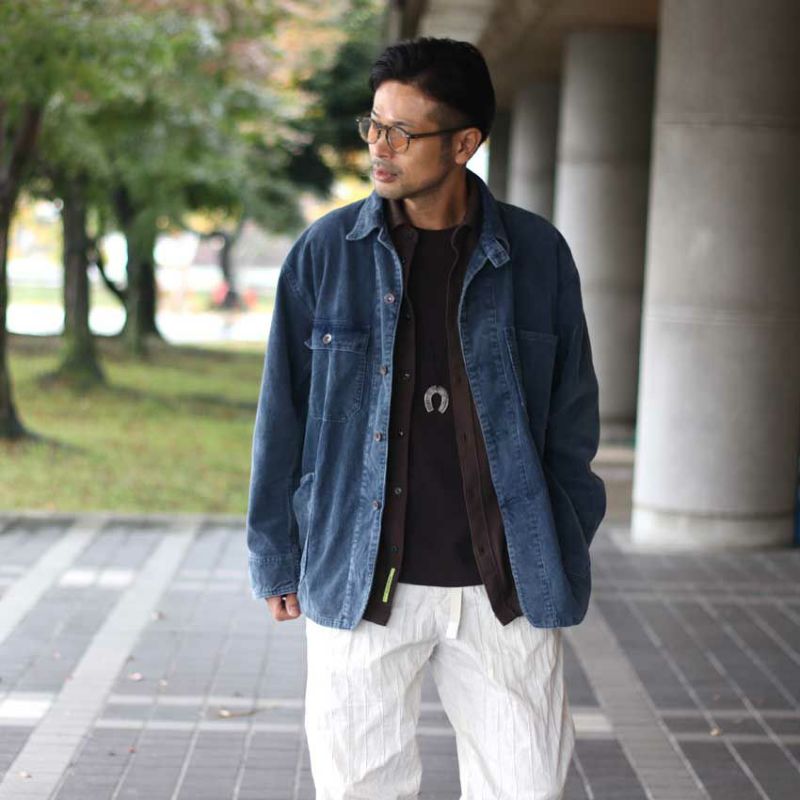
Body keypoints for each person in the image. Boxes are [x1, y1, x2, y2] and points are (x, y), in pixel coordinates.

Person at [246, 36, 606, 800]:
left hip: (503, 585)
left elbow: (573, 422)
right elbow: (282, 417)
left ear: (464, 143)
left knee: (527, 786)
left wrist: (561, 534)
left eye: (402, 133)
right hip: (359, 578)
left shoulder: (538, 255)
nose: (379, 148)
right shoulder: (326, 253)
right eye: (373, 126)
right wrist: (276, 553)